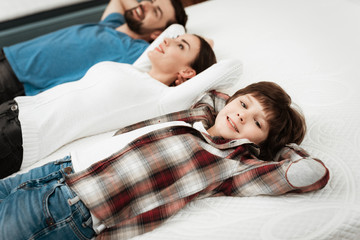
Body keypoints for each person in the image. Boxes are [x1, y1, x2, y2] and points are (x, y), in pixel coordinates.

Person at [0, 81, 330, 240]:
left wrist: (277, 146)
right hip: (61, 169)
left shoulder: (231, 162)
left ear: (260, 142)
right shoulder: (196, 117)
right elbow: (215, 94)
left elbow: (308, 173)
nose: (243, 117)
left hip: (75, 206)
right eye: (244, 104)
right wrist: (240, 108)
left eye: (257, 123)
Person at [0, 33, 217, 179]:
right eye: (174, 39)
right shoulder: (136, 69)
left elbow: (231, 67)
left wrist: (208, 47)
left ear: (188, 73)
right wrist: (190, 40)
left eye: (181, 45)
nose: (168, 40)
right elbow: (174, 28)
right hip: (14, 109)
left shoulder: (161, 98)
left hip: (18, 137)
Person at [0, 0, 187, 102]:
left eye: (156, 12)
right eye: (151, 0)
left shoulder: (135, 51)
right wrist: (145, 10)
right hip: (8, 54)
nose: (145, 5)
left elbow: (178, 32)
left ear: (158, 34)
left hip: (16, 81)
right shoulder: (111, 24)